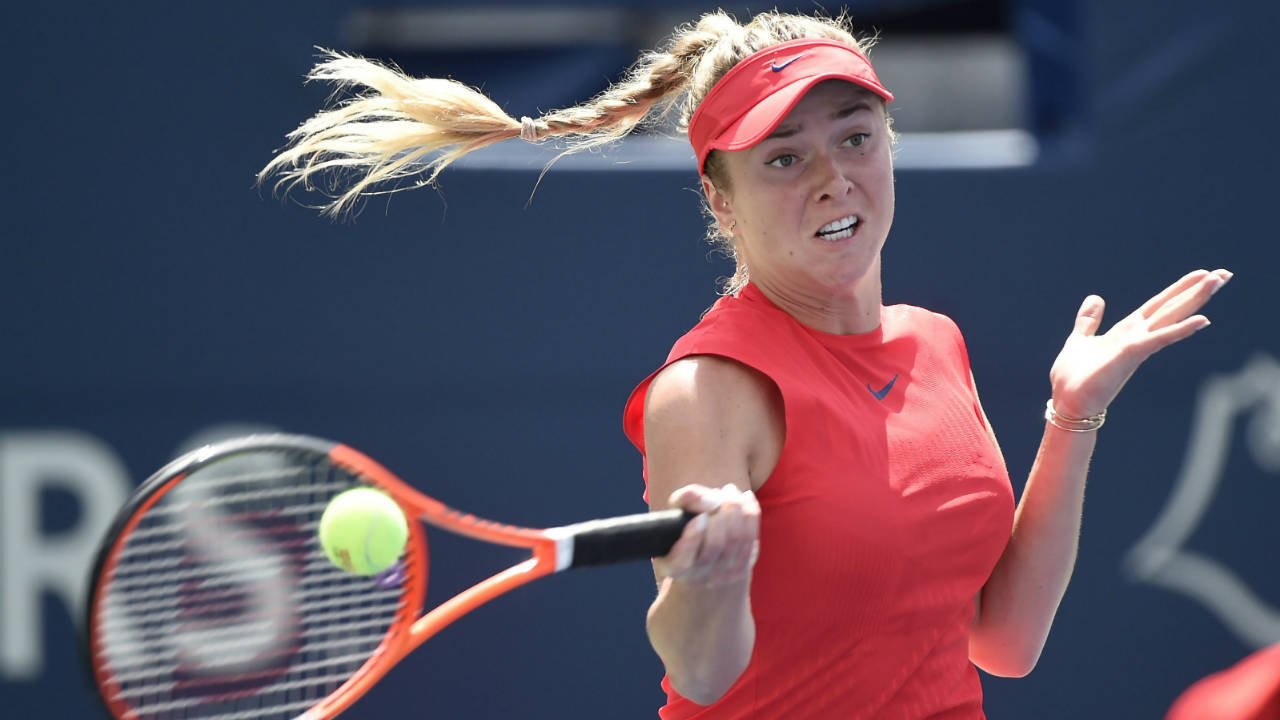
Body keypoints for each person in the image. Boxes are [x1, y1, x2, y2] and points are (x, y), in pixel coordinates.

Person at [259, 9, 1233, 718]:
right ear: (718, 202)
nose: (831, 178)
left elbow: (1003, 644)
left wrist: (1070, 419)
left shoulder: (934, 342)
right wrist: (709, 581)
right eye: (781, 159)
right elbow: (701, 674)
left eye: (854, 138)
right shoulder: (709, 390)